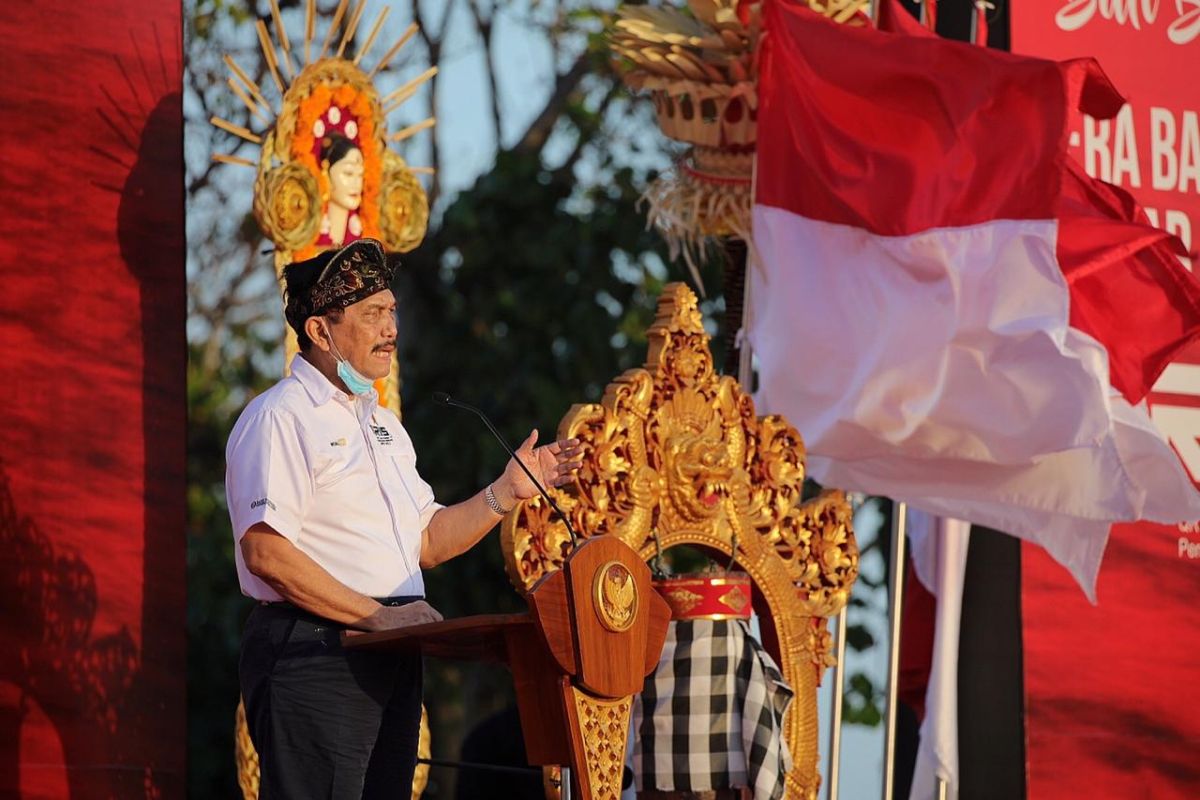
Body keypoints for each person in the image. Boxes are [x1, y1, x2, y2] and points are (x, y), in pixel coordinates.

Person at [225, 238, 581, 799]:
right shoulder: (280, 415)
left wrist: (506, 492)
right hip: (319, 648)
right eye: (372, 315)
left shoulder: (384, 425)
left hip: (389, 646)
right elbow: (266, 552)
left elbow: (426, 542)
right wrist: (373, 617)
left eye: (391, 311)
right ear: (321, 332)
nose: (391, 327)